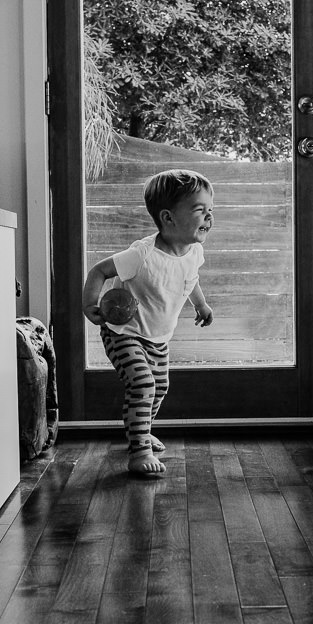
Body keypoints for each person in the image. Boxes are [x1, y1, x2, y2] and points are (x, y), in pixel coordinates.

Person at [82, 169, 215, 476]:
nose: (208, 218)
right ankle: (138, 449)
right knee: (143, 383)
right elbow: (99, 272)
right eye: (199, 211)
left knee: (160, 387)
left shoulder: (194, 252)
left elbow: (189, 279)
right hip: (123, 332)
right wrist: (89, 303)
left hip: (157, 336)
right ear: (168, 218)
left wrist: (201, 304)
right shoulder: (141, 254)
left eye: (210, 211)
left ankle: (140, 429)